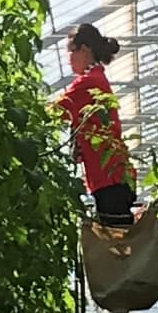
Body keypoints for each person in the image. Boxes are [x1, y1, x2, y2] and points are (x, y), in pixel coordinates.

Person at [54, 23, 136, 226]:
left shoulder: (88, 82)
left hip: (108, 177)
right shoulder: (97, 78)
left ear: (84, 50)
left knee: (117, 235)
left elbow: (55, 111)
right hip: (113, 175)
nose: (68, 59)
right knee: (119, 231)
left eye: (70, 52)